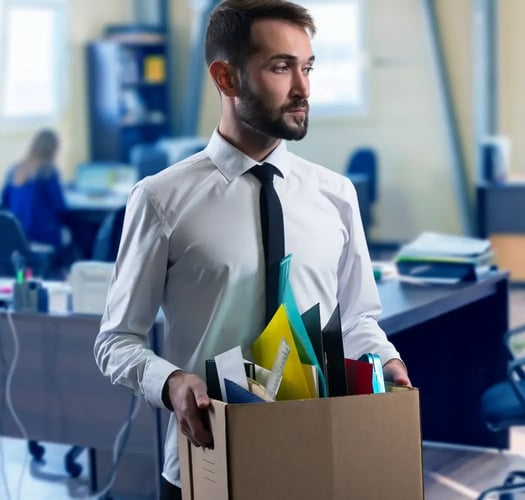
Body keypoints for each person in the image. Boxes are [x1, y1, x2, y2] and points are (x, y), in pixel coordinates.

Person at [94, 1, 411, 498]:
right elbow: (115, 342)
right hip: (209, 462)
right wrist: (172, 381)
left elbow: (356, 320)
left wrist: (385, 360)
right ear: (226, 77)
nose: (303, 87)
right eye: (281, 67)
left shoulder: (336, 195)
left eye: (307, 67)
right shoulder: (161, 200)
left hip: (320, 455)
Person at [0, 128, 68, 273]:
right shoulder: (48, 172)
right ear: (53, 149)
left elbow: (4, 201)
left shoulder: (15, 170)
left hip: (18, 236)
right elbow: (60, 206)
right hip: (42, 236)